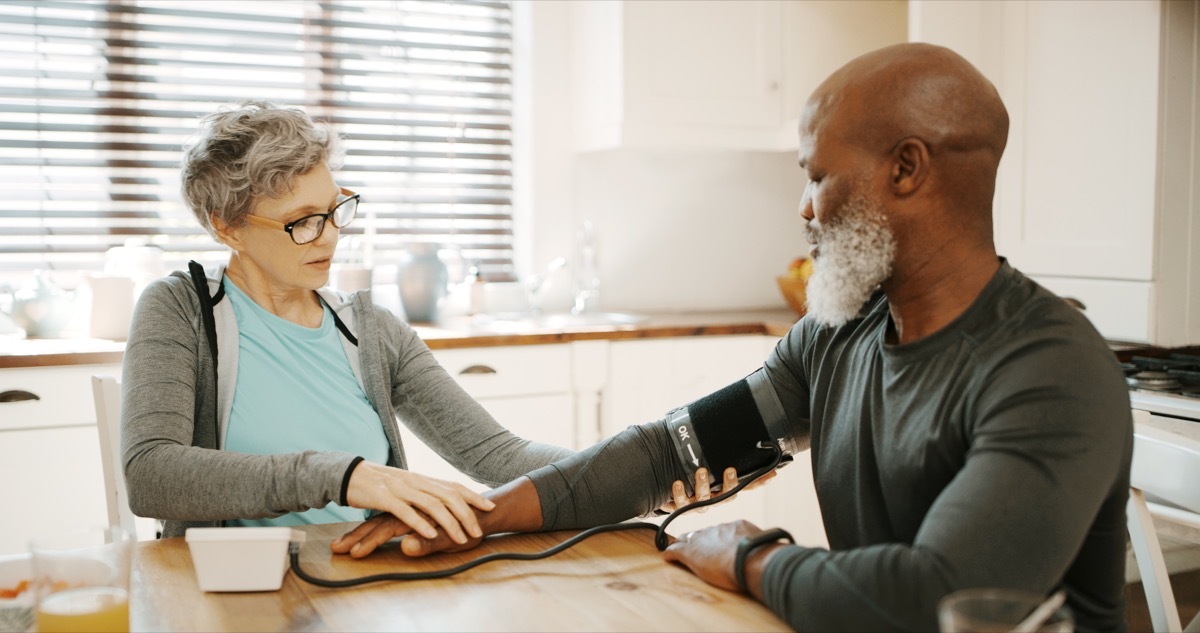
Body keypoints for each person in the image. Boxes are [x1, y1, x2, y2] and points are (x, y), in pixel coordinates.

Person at [332, 43, 1133, 632]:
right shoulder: (837, 335)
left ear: (908, 168)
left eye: (817, 175)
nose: (805, 209)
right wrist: (479, 514)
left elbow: (935, 595)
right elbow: (667, 452)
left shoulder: (1050, 368)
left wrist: (752, 557)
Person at [121, 101, 578, 544]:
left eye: (336, 209)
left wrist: (620, 472)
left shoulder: (370, 330)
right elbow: (151, 474)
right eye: (303, 222)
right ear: (227, 228)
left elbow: (497, 453)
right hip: (230, 595)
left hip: (362, 581)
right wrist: (341, 476)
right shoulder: (182, 309)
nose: (331, 235)